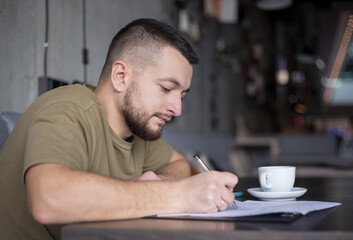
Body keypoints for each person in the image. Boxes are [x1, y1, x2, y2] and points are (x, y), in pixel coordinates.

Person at [0, 18, 238, 240]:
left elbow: (178, 165)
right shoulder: (67, 110)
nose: (177, 109)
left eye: (182, 95)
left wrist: (157, 184)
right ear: (121, 76)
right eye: (166, 88)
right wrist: (177, 195)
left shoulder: (138, 127)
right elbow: (48, 200)